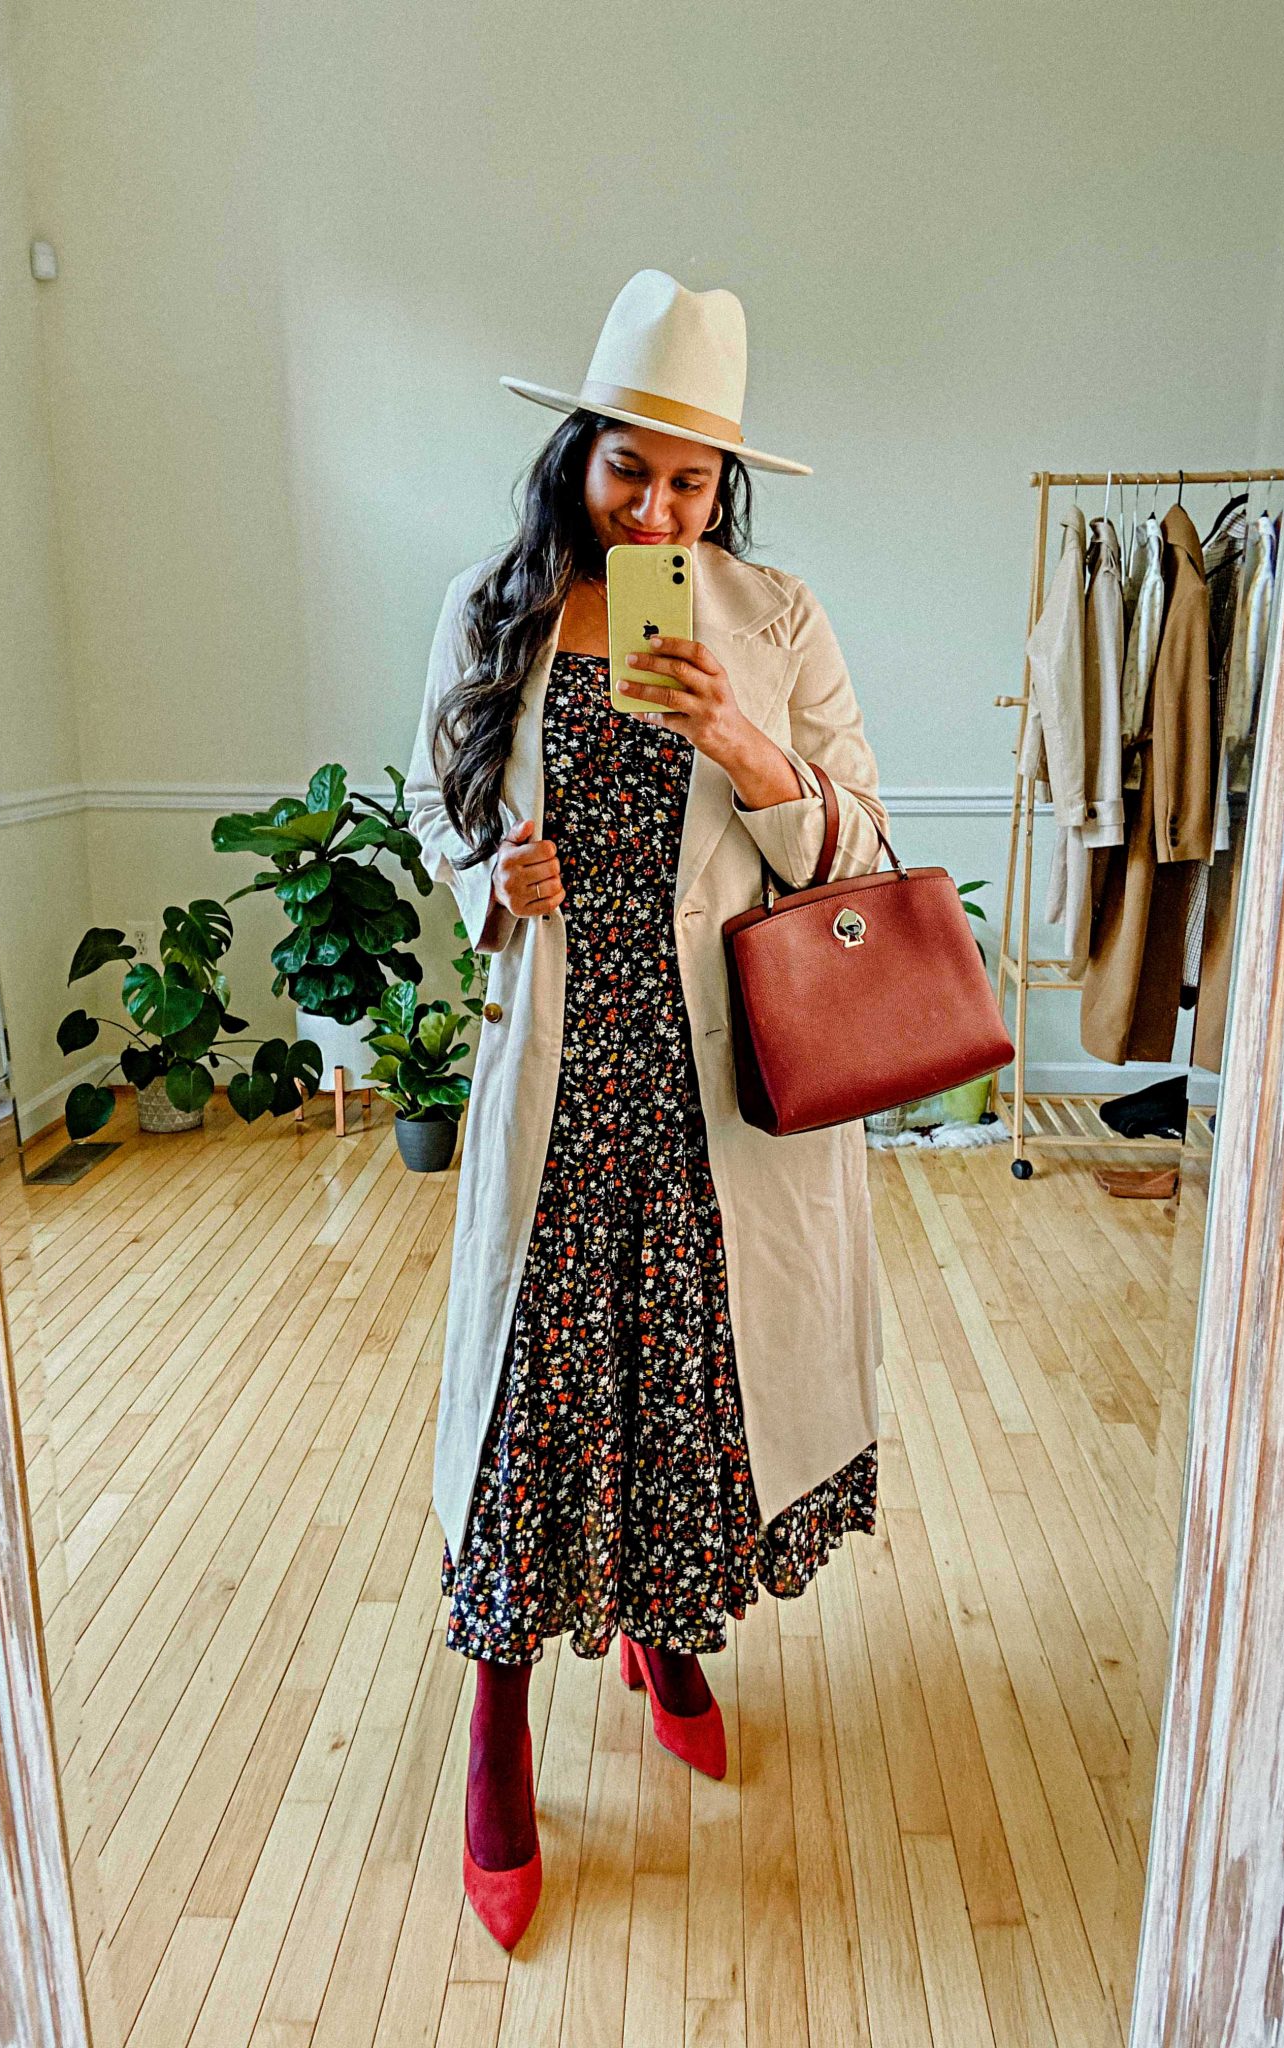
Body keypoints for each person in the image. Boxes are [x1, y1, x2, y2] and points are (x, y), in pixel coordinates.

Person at [405, 270, 890, 1950]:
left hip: (709, 1096)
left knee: (682, 1385)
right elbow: (426, 793)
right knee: (528, 1405)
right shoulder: (497, 606)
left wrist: (750, 752)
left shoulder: (773, 616)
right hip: (559, 1079)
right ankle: (497, 1721)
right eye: (630, 472)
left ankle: (663, 1622)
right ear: (575, 458)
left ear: (721, 489)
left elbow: (865, 858)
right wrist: (487, 876)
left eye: (690, 483)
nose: (659, 507)